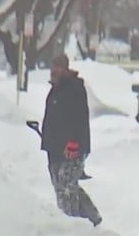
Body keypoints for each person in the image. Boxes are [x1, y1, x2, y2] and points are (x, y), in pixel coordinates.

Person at [40, 54, 102, 226]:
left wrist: (74, 143)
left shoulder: (74, 88)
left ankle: (71, 224)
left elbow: (79, 118)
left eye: (58, 67)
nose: (54, 70)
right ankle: (92, 217)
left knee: (66, 186)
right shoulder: (56, 89)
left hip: (72, 148)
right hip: (55, 148)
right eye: (53, 66)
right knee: (62, 183)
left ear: (66, 69)